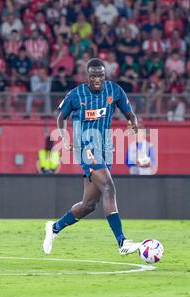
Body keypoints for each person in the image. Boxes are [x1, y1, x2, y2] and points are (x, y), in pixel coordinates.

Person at [43, 58, 141, 255]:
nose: (98, 79)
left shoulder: (114, 91)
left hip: (105, 148)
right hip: (85, 147)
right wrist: (64, 137)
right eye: (94, 76)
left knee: (89, 205)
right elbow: (61, 117)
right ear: (87, 76)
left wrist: (133, 123)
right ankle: (122, 243)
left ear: (105, 76)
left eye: (101, 75)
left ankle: (54, 228)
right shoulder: (76, 94)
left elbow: (130, 114)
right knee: (109, 187)